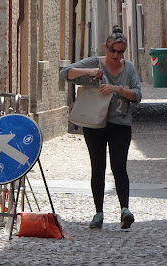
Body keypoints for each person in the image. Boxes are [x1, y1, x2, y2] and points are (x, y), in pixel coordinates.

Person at [59, 26, 142, 229]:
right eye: (113, 51)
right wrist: (89, 72)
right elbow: (65, 73)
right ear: (106, 47)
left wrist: (117, 88)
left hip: (120, 123)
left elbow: (138, 95)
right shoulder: (95, 63)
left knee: (119, 166)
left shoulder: (129, 68)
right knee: (98, 167)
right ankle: (98, 213)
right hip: (95, 123)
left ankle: (125, 210)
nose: (116, 55)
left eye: (120, 52)